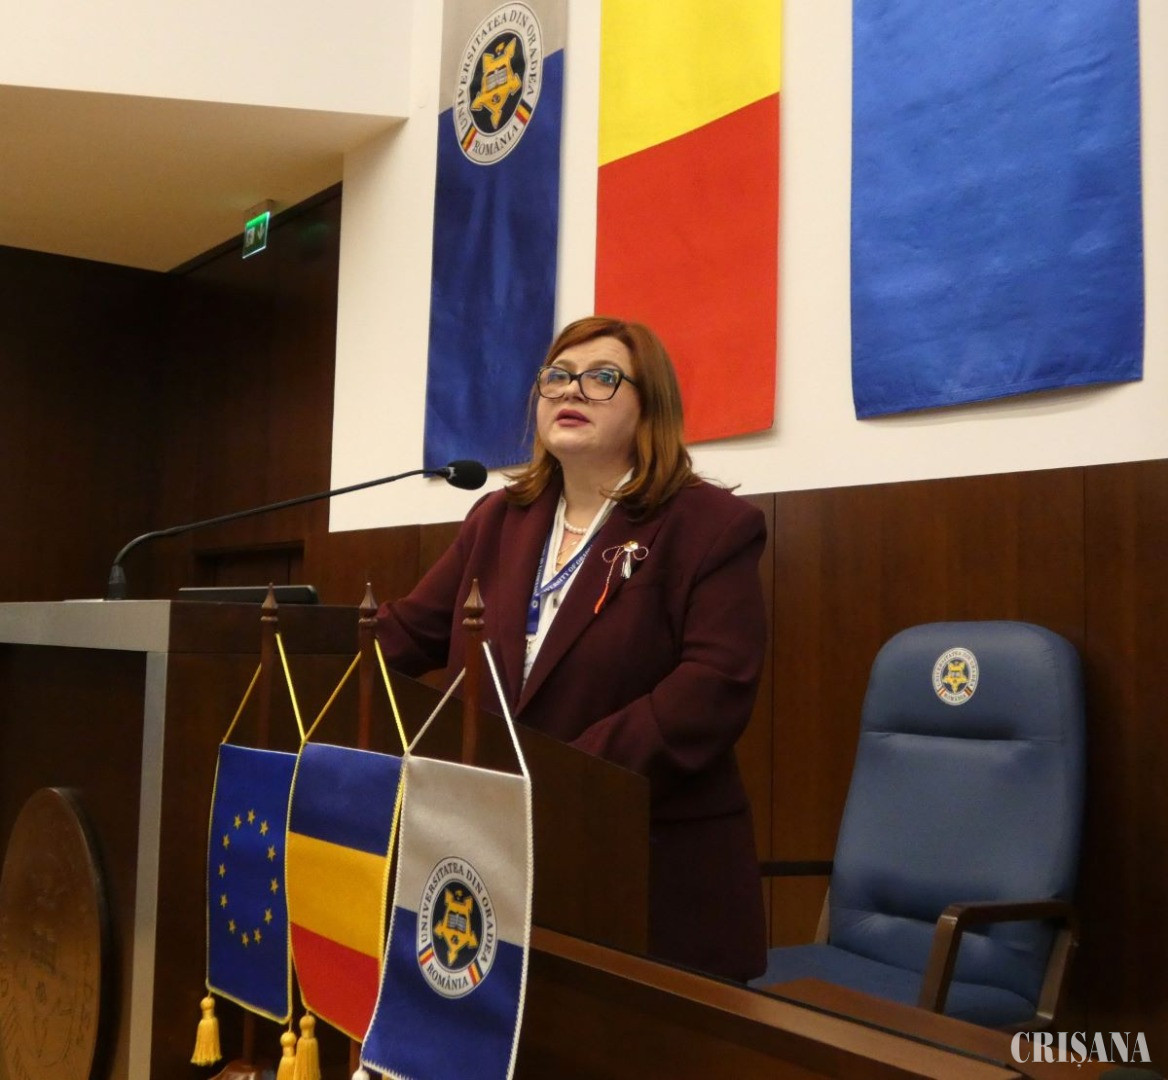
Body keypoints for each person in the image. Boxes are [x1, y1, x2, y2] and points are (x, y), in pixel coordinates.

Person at [376, 315, 768, 982]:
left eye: (602, 378)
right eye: (556, 376)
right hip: (499, 859)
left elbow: (712, 688)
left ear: (650, 406)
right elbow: (410, 632)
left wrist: (564, 778)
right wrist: (311, 657)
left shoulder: (710, 525)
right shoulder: (498, 519)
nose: (571, 391)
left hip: (647, 866)